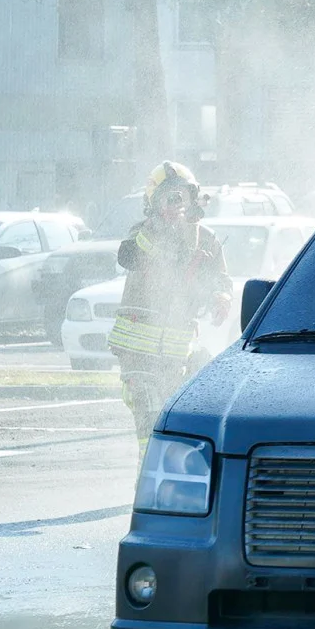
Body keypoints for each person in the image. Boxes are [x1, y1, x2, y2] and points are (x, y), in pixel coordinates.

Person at [110, 162, 232, 442]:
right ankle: (147, 486)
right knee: (150, 422)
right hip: (138, 357)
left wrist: (221, 296)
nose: (177, 203)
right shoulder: (144, 231)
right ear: (153, 202)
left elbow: (222, 279)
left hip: (176, 357)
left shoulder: (206, 240)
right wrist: (157, 227)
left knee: (174, 429)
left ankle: (171, 483)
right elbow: (126, 255)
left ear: (193, 198)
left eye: (182, 195)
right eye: (170, 196)